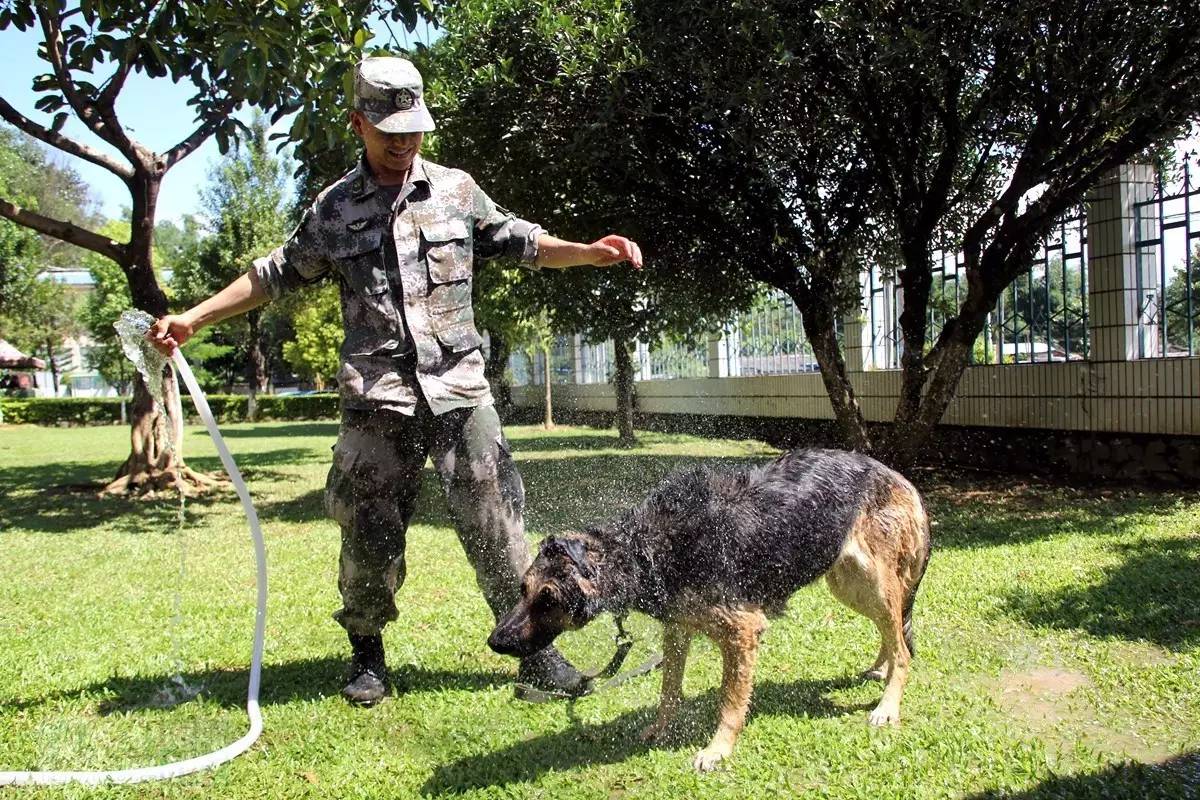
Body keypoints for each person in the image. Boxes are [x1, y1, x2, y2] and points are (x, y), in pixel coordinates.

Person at [148, 56, 643, 706]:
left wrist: (584, 251)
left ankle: (536, 656)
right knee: (369, 537)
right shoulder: (334, 208)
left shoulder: (457, 191)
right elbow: (273, 274)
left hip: (462, 394)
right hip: (376, 402)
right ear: (359, 123)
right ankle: (368, 658)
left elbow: (520, 240)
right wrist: (194, 317)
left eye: (414, 130)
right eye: (390, 132)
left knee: (498, 530)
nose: (404, 143)